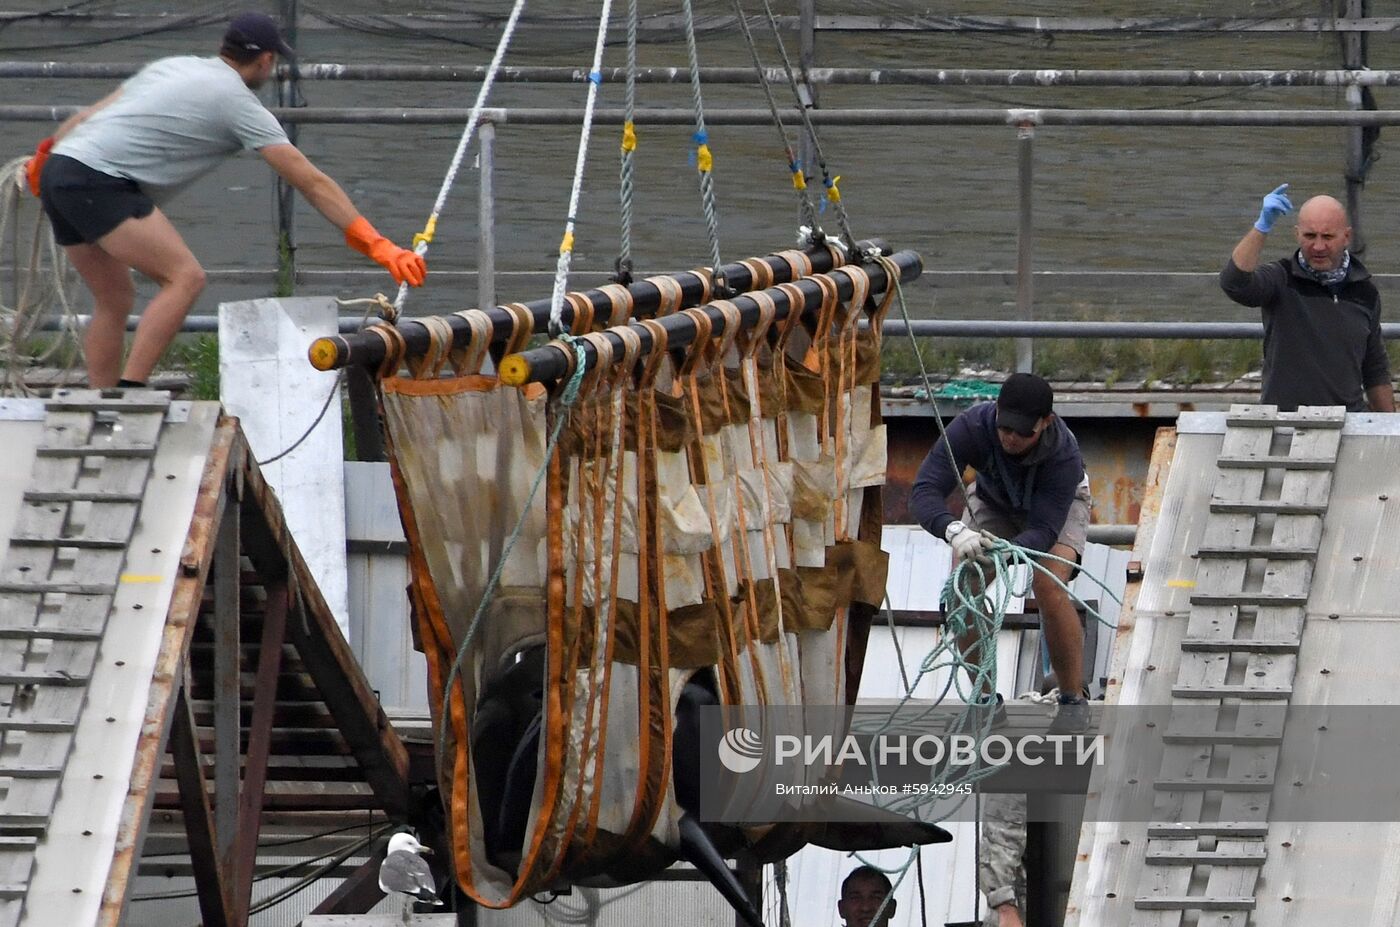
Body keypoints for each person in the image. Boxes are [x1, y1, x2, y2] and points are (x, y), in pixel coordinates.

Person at [21, 11, 426, 389]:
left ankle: (100, 401)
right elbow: (312, 182)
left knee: (114, 298)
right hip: (100, 181)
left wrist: (46, 155)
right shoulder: (239, 103)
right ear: (266, 61)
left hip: (62, 167)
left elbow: (91, 115)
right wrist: (377, 244)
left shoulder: (173, 67)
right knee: (185, 278)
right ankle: (130, 394)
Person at [908, 373, 1092, 734]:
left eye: (1024, 432)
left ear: (1046, 422)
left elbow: (1042, 531)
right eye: (1005, 427)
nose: (1011, 438)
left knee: (1048, 583)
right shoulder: (971, 428)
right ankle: (985, 704)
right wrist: (954, 529)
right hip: (994, 500)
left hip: (1056, 509)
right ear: (996, 413)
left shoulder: (1063, 455)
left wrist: (1001, 555)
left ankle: (1072, 701)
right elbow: (925, 489)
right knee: (964, 590)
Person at [1220, 184, 1394, 413]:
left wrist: (1390, 428)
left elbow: (1374, 369)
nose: (1318, 246)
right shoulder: (1280, 279)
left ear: (1346, 237)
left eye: (1328, 237)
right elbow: (1234, 283)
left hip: (1348, 421)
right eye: (1310, 236)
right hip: (1285, 421)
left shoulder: (1365, 291)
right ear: (1297, 234)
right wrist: (1262, 227)